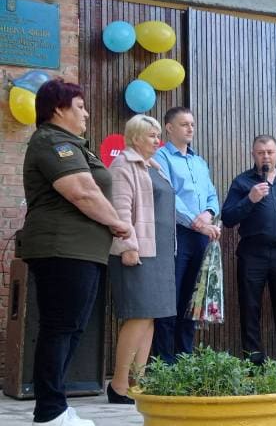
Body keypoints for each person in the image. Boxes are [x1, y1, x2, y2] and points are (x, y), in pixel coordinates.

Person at [20, 79, 131, 426]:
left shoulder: (74, 145)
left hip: (82, 250)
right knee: (60, 327)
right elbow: (82, 191)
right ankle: (49, 411)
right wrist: (118, 223)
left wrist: (112, 225)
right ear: (58, 109)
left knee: (72, 328)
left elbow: (91, 189)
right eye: (80, 106)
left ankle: (56, 404)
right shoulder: (52, 141)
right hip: (62, 248)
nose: (86, 113)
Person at [106, 114, 176, 404]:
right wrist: (127, 246)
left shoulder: (153, 166)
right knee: (138, 315)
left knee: (150, 317)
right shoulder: (123, 165)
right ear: (135, 137)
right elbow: (120, 210)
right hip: (138, 251)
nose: (157, 140)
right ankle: (118, 385)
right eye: (151, 135)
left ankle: (138, 381)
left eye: (158, 135)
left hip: (159, 253)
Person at [221, 135, 276, 365]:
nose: (265, 156)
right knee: (250, 310)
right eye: (261, 153)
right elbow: (228, 218)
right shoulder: (242, 182)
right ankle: (254, 366)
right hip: (253, 254)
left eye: (269, 152)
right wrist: (250, 199)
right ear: (253, 155)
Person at [152, 107, 220, 364]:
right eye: (184, 124)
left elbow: (212, 194)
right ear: (169, 128)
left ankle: (185, 359)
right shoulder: (161, 157)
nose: (190, 128)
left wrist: (209, 213)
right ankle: (164, 362)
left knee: (193, 298)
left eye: (192, 123)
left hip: (201, 235)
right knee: (170, 298)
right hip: (176, 235)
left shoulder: (199, 162)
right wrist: (195, 222)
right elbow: (168, 196)